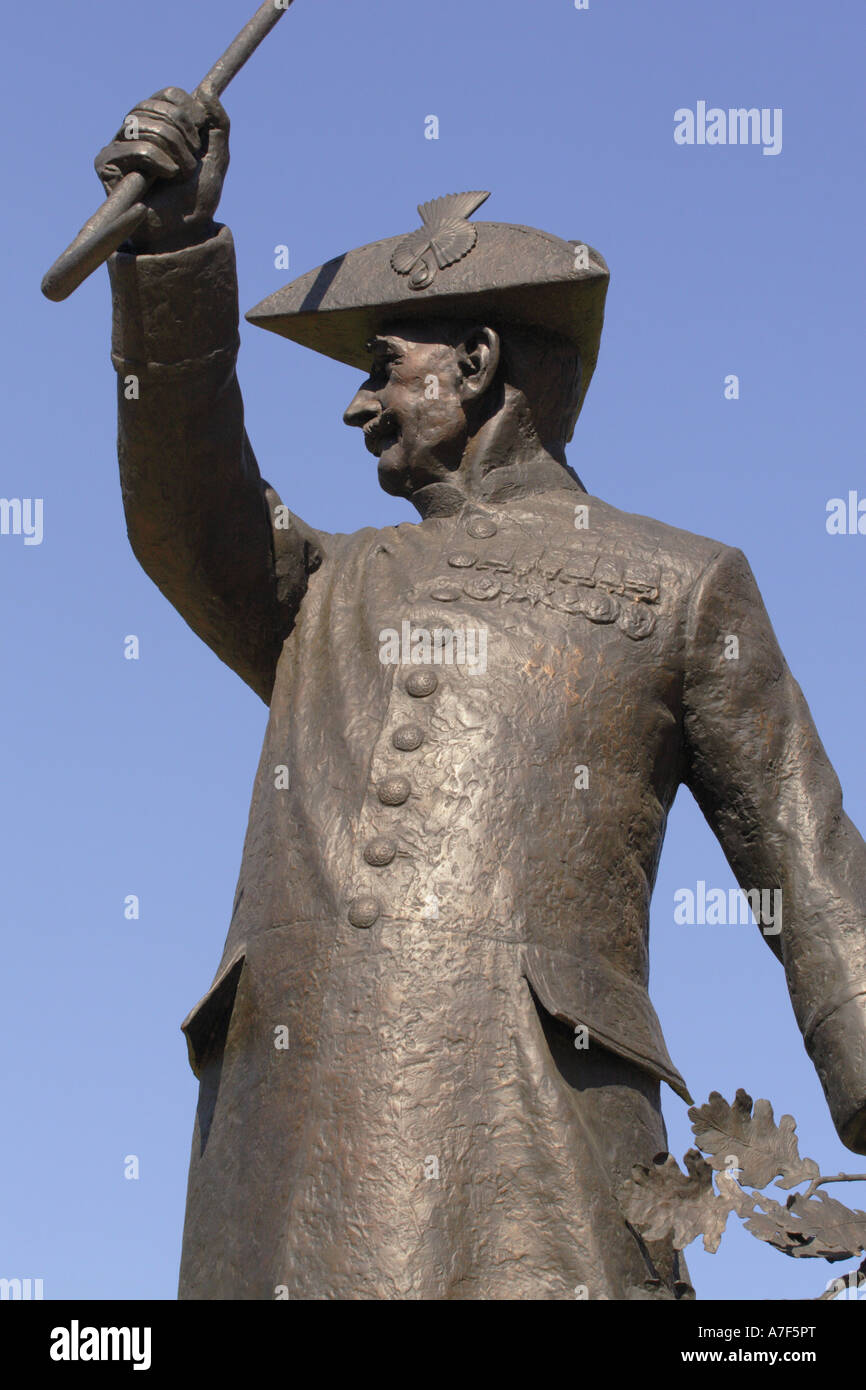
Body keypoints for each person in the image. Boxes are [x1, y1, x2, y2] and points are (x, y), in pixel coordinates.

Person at [95, 87, 866, 1300]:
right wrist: (171, 253)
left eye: (381, 367)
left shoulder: (681, 583)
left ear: (477, 362)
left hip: (532, 1133)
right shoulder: (324, 587)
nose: (357, 403)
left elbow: (804, 853)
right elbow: (187, 509)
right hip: (290, 1136)